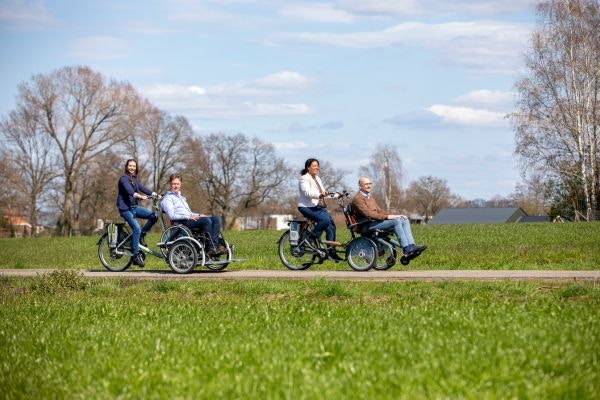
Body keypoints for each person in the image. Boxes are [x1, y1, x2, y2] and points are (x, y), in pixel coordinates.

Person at [351, 176, 427, 257]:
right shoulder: (358, 199)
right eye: (366, 184)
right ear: (360, 185)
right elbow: (368, 214)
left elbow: (379, 211)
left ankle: (411, 246)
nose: (369, 186)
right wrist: (388, 217)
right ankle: (406, 249)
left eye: (370, 183)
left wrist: (394, 215)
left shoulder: (370, 197)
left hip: (374, 222)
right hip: (366, 224)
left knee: (404, 219)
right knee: (396, 221)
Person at [161, 173, 223, 256]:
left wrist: (199, 215)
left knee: (216, 219)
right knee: (206, 221)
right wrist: (188, 217)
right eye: (174, 184)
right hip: (181, 223)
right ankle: (209, 248)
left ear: (180, 184)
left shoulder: (181, 198)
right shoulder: (168, 198)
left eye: (178, 184)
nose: (176, 186)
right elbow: (172, 216)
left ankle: (214, 247)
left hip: (189, 218)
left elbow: (189, 212)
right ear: (170, 184)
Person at [297, 158, 343, 262]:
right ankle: (311, 238)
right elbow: (306, 193)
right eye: (314, 165)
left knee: (331, 226)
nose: (317, 167)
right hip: (306, 207)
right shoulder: (304, 178)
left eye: (317, 165)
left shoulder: (317, 179)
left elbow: (324, 193)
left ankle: (331, 252)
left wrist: (337, 195)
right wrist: (319, 194)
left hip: (317, 207)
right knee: (325, 220)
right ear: (308, 167)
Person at [116, 159, 159, 267]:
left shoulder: (134, 179)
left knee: (153, 216)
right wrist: (139, 196)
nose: (132, 168)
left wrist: (155, 194)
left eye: (134, 166)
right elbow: (129, 191)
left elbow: (142, 188)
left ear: (136, 168)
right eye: (130, 166)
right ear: (126, 167)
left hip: (134, 207)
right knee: (136, 228)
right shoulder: (123, 178)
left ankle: (141, 235)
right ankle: (135, 256)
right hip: (125, 208)